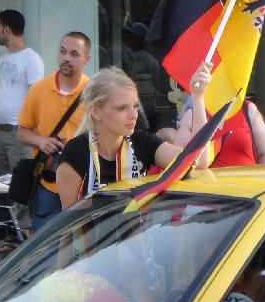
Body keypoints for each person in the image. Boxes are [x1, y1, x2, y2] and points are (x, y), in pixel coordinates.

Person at [56, 62, 212, 209]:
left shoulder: (142, 142)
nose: (133, 115)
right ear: (95, 112)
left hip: (135, 237)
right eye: (122, 108)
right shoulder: (75, 151)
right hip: (93, 238)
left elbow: (198, 161)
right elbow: (67, 225)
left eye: (135, 106)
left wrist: (197, 97)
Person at [17, 32, 91, 231]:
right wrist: (41, 142)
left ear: (86, 59)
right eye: (63, 51)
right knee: (43, 247)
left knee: (81, 245)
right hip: (46, 183)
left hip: (82, 186)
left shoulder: (94, 93)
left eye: (74, 54)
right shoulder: (39, 89)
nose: (66, 58)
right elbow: (22, 131)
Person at [0, 9, 44, 231]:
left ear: (6, 30)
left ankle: (23, 236)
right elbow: (1, 91)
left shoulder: (32, 59)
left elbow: (35, 98)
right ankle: (3, 232)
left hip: (18, 133)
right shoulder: (3, 59)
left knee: (21, 185)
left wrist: (28, 131)